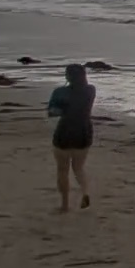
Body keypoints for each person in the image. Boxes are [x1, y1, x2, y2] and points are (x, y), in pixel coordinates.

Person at [46, 63, 95, 211]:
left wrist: (62, 107)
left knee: (62, 170)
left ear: (68, 76)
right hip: (84, 132)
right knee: (79, 168)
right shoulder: (90, 90)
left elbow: (52, 112)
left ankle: (65, 205)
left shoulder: (60, 92)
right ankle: (85, 192)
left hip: (64, 132)